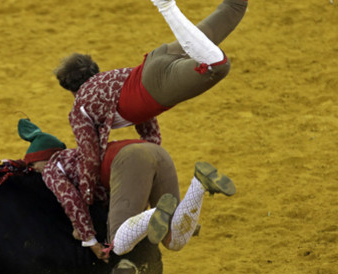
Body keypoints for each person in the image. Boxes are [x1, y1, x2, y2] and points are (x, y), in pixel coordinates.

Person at [54, 0, 248, 207]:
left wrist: (87, 198)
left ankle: (166, 6)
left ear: (70, 89)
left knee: (217, 66)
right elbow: (149, 130)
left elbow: (90, 158)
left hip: (156, 85)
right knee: (233, 7)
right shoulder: (107, 80)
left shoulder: (80, 109)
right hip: (155, 59)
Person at [17, 118, 235, 262]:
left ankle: (156, 215)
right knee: (174, 240)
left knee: (119, 243)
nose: (34, 171)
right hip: (157, 152)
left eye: (33, 165)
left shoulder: (52, 169)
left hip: (128, 162)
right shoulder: (79, 154)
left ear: (41, 160)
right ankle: (199, 184)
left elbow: (72, 201)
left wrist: (90, 241)